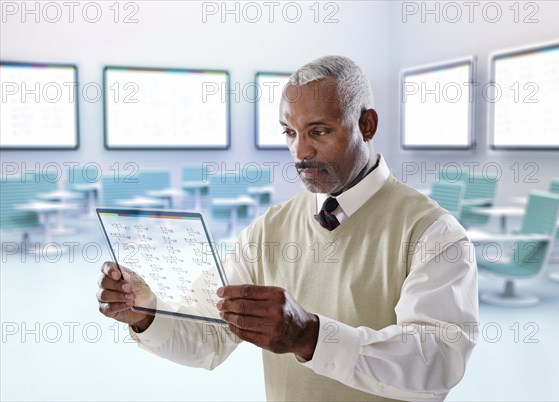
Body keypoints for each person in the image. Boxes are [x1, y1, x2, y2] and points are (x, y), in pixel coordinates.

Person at [97, 55, 478, 401]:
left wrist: (311, 337)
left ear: (366, 124)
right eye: (289, 133)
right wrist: (147, 313)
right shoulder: (268, 230)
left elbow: (438, 360)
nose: (300, 152)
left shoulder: (433, 233)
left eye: (319, 131)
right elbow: (209, 337)